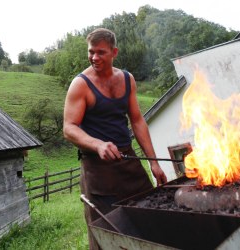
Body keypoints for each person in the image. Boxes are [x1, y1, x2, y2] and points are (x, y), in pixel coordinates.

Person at [63, 28, 168, 249]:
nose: (94, 58)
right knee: (107, 232)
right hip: (97, 168)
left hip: (128, 161)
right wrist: (98, 144)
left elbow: (137, 121)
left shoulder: (127, 79)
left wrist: (154, 162)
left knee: (148, 217)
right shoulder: (81, 84)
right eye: (91, 52)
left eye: (101, 52)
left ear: (114, 52)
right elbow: (69, 128)